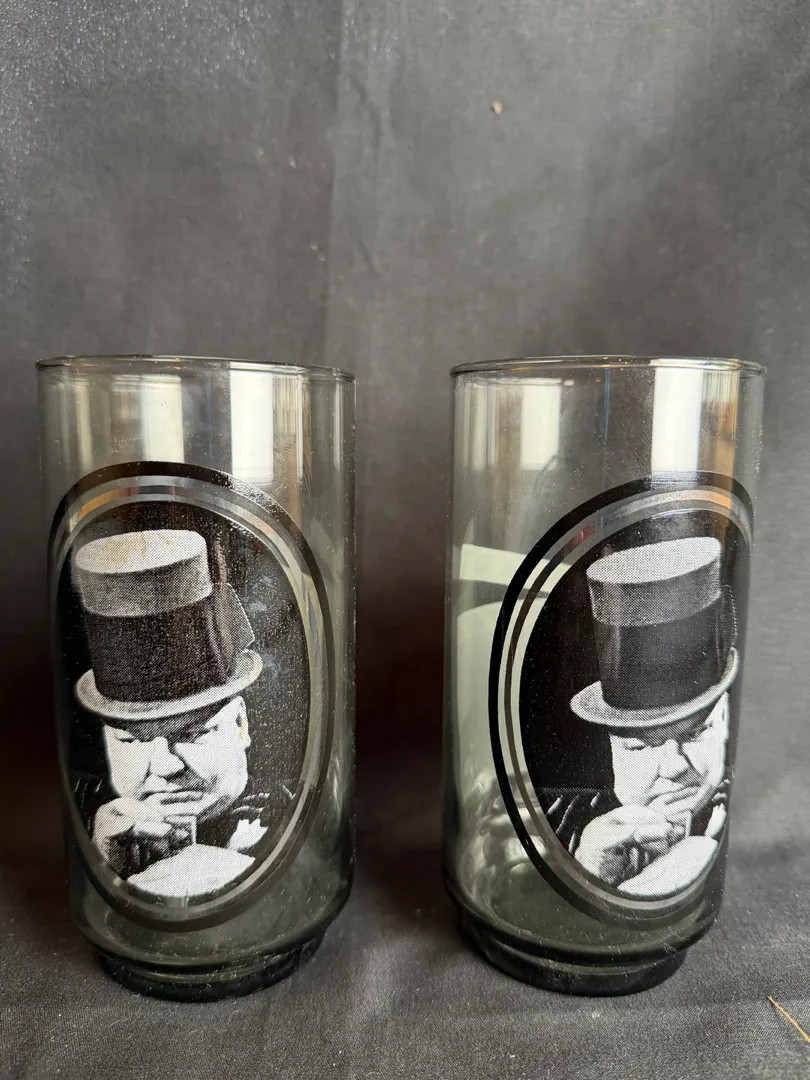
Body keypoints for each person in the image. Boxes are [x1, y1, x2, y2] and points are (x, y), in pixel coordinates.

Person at [71, 528, 268, 898]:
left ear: (241, 724)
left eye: (192, 733)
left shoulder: (297, 822)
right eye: (131, 740)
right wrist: (103, 875)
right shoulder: (78, 819)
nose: (165, 766)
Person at [545, 535, 738, 899]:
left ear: (725, 718)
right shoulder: (554, 817)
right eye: (638, 746)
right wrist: (590, 878)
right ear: (609, 746)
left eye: (695, 733)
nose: (673, 768)